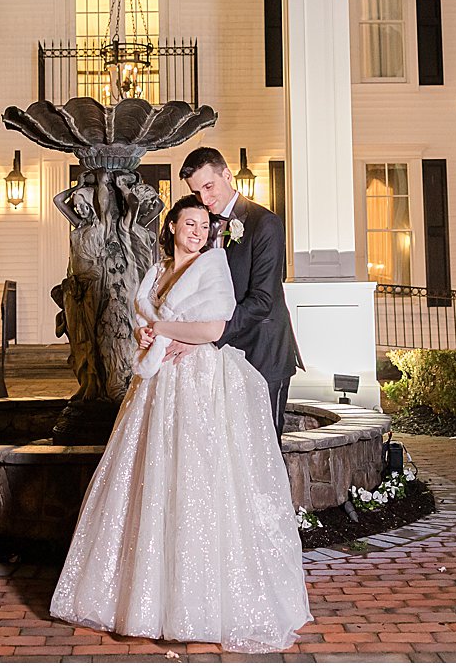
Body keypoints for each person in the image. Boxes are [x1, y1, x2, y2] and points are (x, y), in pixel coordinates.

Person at [49, 196, 311, 653]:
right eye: (190, 223)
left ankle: (201, 606)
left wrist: (166, 332)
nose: (199, 231)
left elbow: (212, 329)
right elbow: (144, 319)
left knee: (197, 483)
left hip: (197, 384)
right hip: (156, 387)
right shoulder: (155, 271)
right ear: (171, 226)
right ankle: (146, 600)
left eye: (205, 224)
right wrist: (146, 333)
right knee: (150, 483)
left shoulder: (213, 267)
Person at [175, 146, 302, 437]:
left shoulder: (264, 223)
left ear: (227, 175)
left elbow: (262, 301)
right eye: (197, 193)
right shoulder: (202, 224)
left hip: (263, 352)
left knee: (263, 446)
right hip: (218, 356)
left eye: (209, 187)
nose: (205, 199)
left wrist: (206, 336)